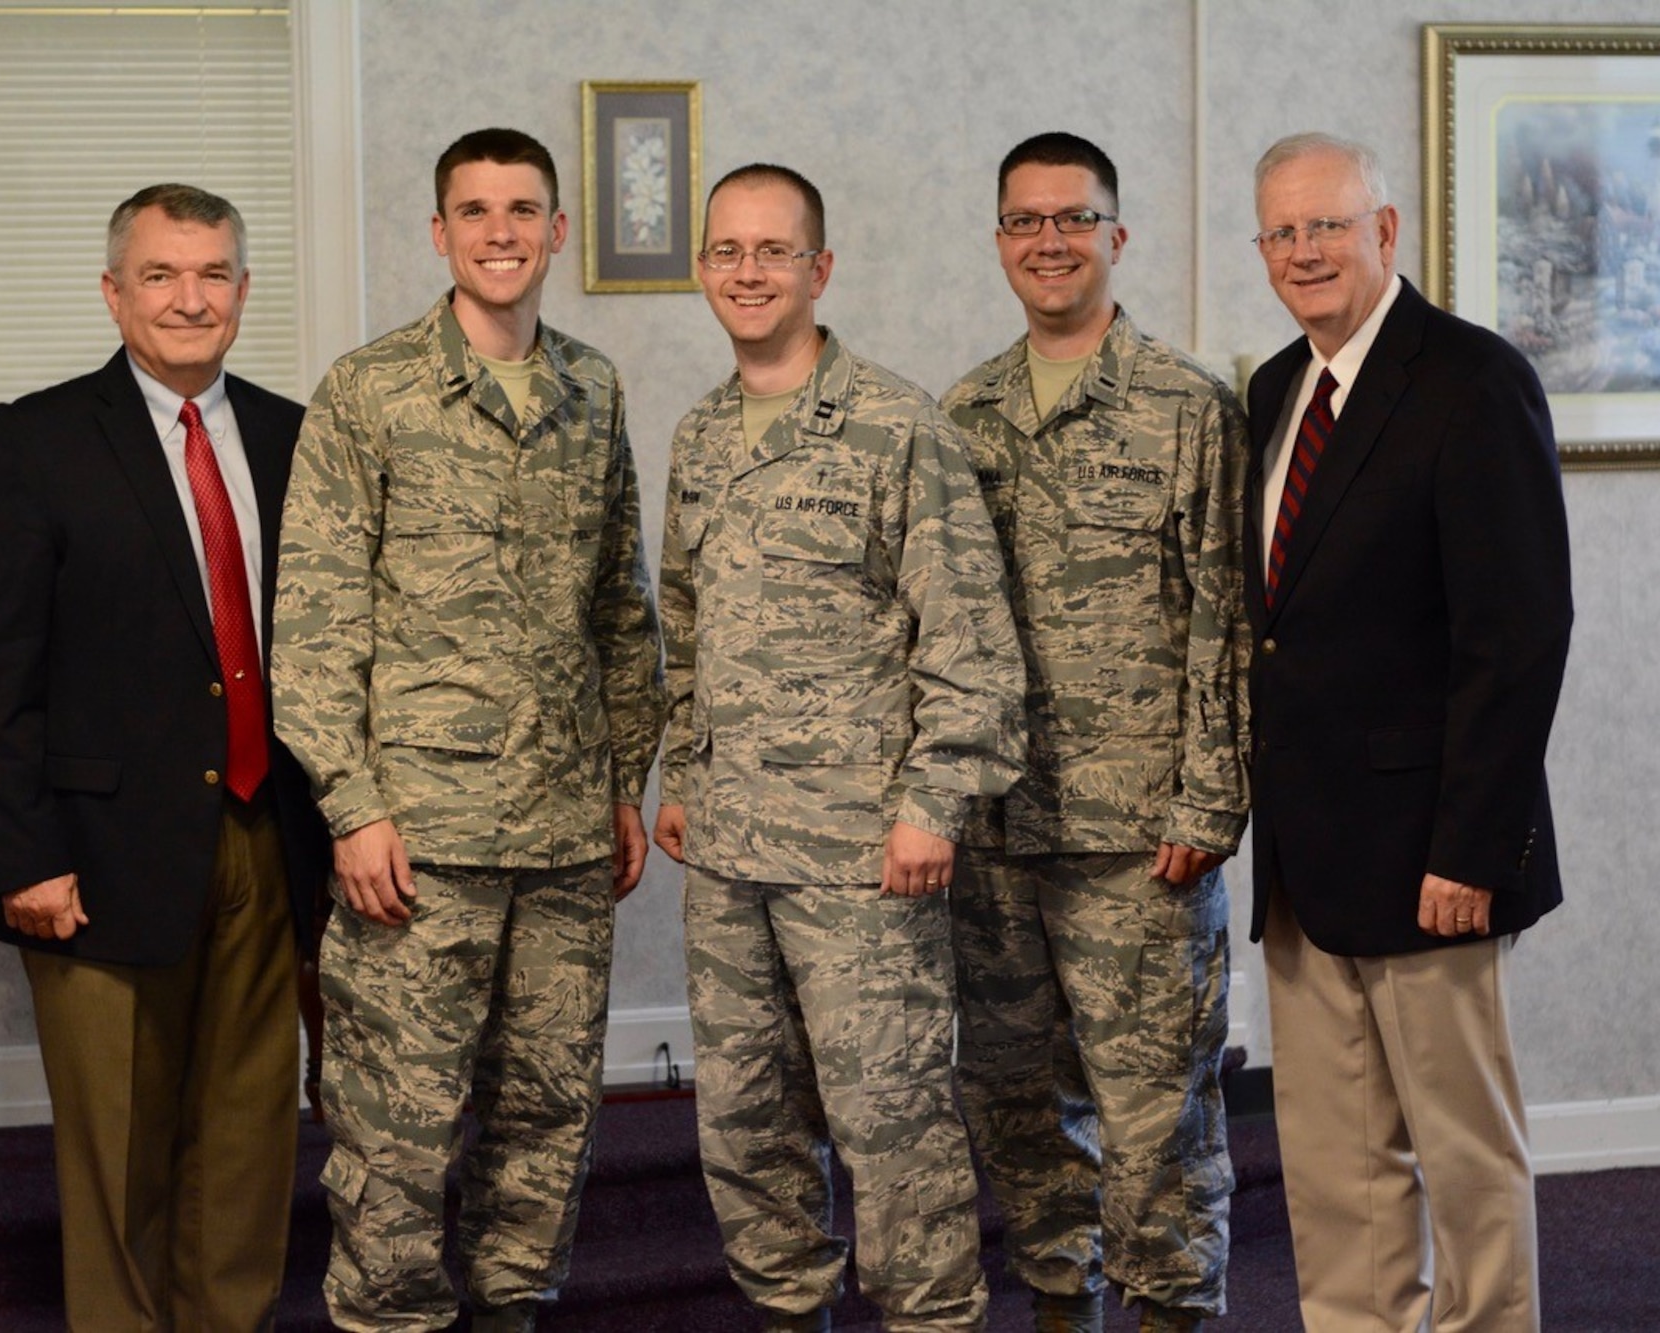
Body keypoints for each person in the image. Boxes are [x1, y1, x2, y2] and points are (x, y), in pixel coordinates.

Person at [270, 127, 666, 1333]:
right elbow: (314, 624)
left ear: (555, 231)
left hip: (558, 838)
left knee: (547, 1122)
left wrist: (619, 780)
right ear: (438, 234)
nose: (500, 231)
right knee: (397, 1132)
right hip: (417, 844)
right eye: (475, 210)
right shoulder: (367, 391)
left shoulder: (591, 389)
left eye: (523, 209)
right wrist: (353, 806)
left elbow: (619, 605)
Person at [0, 182, 331, 1329]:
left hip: (268, 846)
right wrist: (24, 859)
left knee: (249, 1138)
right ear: (113, 293)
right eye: (160, 275)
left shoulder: (289, 435)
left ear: (245, 292)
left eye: (212, 274)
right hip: (97, 859)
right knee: (119, 1157)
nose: (188, 298)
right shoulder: (37, 438)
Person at [653, 162, 1027, 1333]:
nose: (748, 271)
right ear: (703, 269)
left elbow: (969, 638)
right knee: (746, 1126)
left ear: (820, 269)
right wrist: (678, 763)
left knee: (893, 1129)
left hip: (861, 855)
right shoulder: (703, 432)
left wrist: (935, 801)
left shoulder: (892, 423)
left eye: (774, 251)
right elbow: (682, 620)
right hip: (725, 851)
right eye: (727, 251)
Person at [1244, 132, 1572, 1332]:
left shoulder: (1471, 381)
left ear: (1386, 232)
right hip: (1304, 854)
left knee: (1463, 1160)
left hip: (1431, 853)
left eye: (1326, 225)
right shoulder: (1275, 389)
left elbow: (1518, 633)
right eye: (1281, 233)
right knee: (1334, 1167)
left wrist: (1470, 849)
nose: (1303, 252)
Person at [940, 133, 1251, 1333]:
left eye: (1073, 219)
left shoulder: (1186, 409)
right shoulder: (960, 414)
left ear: (1115, 238)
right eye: (1025, 221)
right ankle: (1062, 1311)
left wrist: (1207, 802)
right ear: (1000, 242)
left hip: (1139, 836)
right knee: (1016, 1103)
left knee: (1154, 1117)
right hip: (994, 832)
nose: (1049, 241)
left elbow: (1226, 618)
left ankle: (1170, 1313)